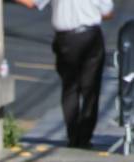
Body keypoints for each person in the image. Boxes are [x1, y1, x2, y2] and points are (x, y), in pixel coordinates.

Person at [15, 0, 114, 148]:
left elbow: (32, 3)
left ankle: (73, 136)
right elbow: (108, 13)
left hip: (66, 39)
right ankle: (85, 137)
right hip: (90, 35)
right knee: (90, 89)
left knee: (70, 87)